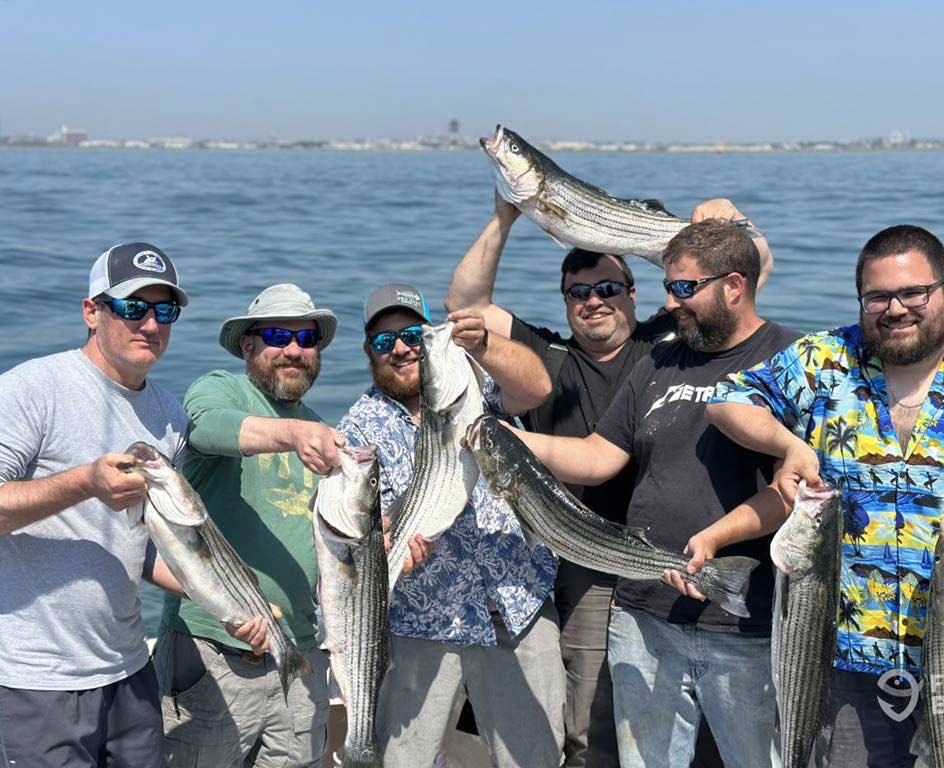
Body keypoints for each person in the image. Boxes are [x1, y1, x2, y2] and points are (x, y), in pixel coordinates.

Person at [446, 194, 771, 767]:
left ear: (634, 293)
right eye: (579, 292)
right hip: (594, 565)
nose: (594, 301)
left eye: (608, 289)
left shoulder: (667, 342)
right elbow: (465, 307)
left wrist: (729, 224)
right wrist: (506, 216)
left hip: (689, 562)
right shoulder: (550, 354)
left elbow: (741, 273)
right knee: (601, 720)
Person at [705, 224, 944, 768]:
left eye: (913, 293)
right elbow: (723, 401)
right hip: (849, 658)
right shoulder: (823, 360)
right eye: (877, 297)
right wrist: (787, 445)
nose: (895, 309)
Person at [0, 243, 230, 766]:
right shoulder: (31, 390)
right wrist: (85, 482)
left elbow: (141, 543)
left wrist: (225, 601)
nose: (150, 324)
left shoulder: (168, 415)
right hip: (40, 679)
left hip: (129, 670)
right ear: (91, 311)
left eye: (164, 311)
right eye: (133, 307)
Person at [338, 283, 564, 768]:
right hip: (421, 621)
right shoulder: (358, 426)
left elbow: (536, 387)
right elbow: (354, 515)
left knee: (537, 760)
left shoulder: (479, 389)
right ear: (368, 351)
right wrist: (380, 539)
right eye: (384, 341)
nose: (400, 348)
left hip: (514, 607)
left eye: (414, 335)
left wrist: (485, 345)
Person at [158, 283, 348, 768]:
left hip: (300, 655)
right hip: (213, 652)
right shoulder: (221, 389)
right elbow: (205, 426)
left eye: (307, 340)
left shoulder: (319, 430)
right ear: (248, 345)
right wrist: (292, 434)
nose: (294, 350)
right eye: (279, 335)